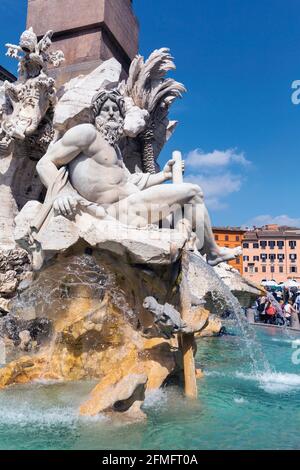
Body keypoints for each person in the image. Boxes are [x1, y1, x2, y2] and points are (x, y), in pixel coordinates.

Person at [36, 89, 241, 267]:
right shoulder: (86, 134)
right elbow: (45, 163)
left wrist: (165, 175)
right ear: (96, 114)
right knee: (193, 192)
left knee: (190, 207)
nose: (111, 113)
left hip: (133, 208)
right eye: (106, 109)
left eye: (115, 110)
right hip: (114, 212)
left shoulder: (114, 149)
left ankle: (204, 253)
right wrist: (62, 194)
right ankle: (213, 252)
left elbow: (132, 181)